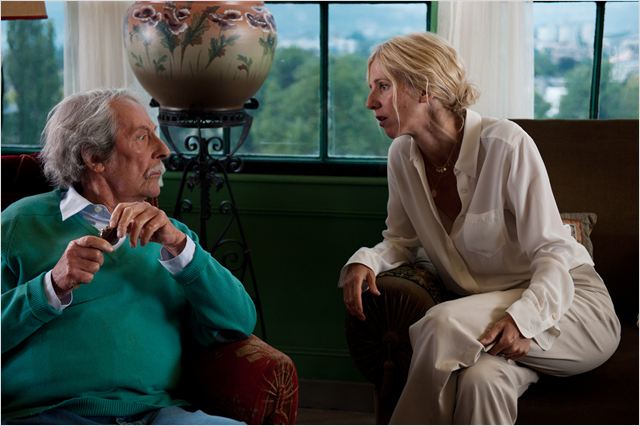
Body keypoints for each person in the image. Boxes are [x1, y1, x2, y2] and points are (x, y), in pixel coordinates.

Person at [339, 32, 621, 424]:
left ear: (424, 87)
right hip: (487, 319)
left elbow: (552, 251)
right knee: (481, 381)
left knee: (440, 324)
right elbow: (402, 240)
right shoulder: (402, 156)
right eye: (372, 88)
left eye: (383, 86)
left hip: (569, 306)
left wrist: (524, 319)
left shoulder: (505, 144)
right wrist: (367, 261)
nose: (371, 102)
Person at [1, 89, 257, 425]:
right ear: (95, 157)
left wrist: (181, 247)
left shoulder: (173, 237)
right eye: (142, 137)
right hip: (49, 415)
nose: (163, 150)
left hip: (157, 416)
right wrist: (51, 286)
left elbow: (239, 322)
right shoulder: (18, 223)